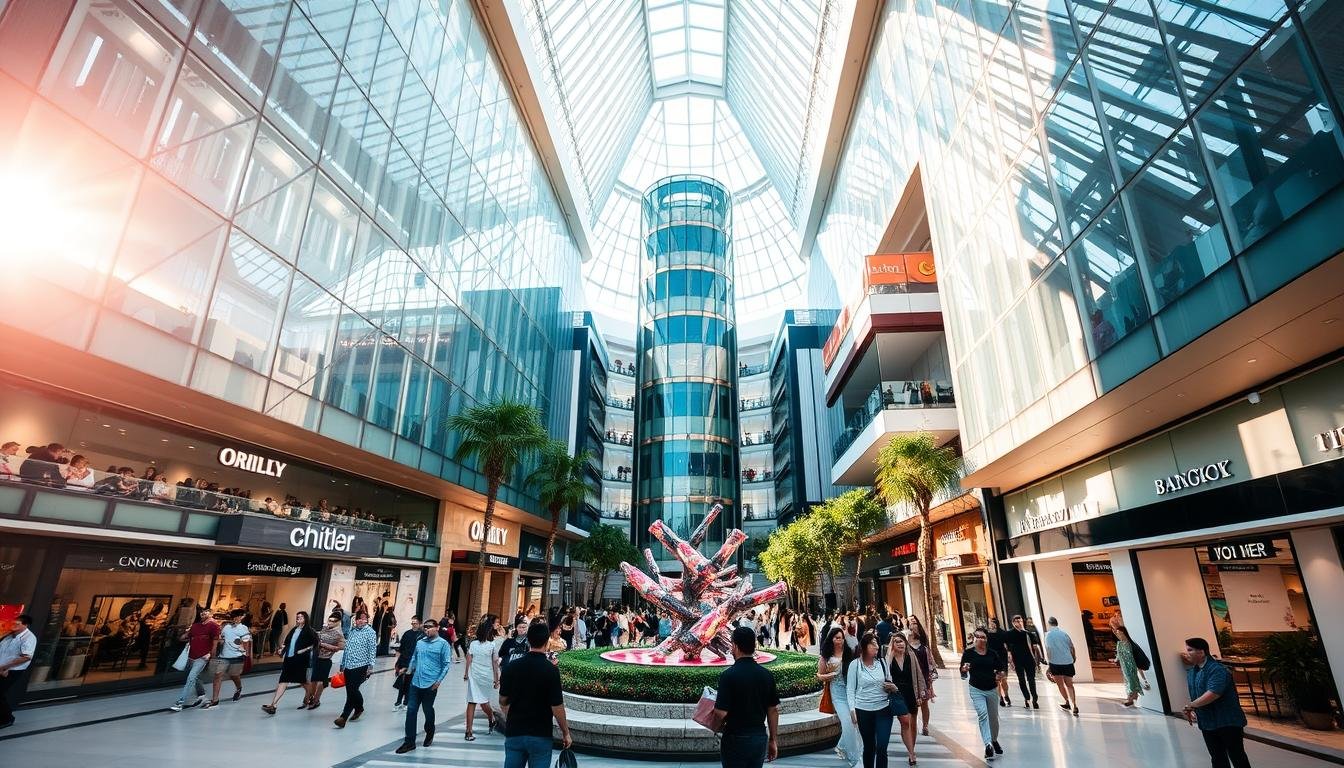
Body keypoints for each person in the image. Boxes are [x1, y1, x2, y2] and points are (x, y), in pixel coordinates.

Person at [500, 621, 573, 766]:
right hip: (540, 734)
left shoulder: (511, 667)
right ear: (547, 642)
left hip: (515, 732)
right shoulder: (551, 670)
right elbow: (557, 707)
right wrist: (565, 733)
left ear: (528, 640)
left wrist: (511, 717)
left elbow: (503, 700)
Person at [714, 626, 780, 768]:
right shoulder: (766, 675)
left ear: (735, 646)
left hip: (735, 738)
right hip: (758, 737)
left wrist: (715, 725)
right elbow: (773, 710)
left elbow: (721, 713)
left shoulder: (728, 676)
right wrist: (773, 740)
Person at [1183, 637, 1251, 768]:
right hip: (1207, 722)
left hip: (1227, 721)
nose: (1187, 653)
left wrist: (1191, 705)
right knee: (1217, 757)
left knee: (1237, 756)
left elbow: (1213, 693)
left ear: (1201, 652)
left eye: (1190, 650)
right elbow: (1196, 695)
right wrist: (1193, 709)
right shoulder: (1192, 672)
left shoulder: (1217, 669)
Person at [395, 618, 453, 754]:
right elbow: (414, 658)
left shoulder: (443, 644)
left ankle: (430, 730)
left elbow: (446, 664)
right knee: (411, 711)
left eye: (430, 627)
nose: (427, 629)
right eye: (425, 627)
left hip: (431, 684)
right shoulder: (420, 642)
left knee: (427, 709)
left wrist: (438, 681)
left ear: (437, 628)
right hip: (416, 682)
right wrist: (408, 670)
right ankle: (409, 742)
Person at [846, 631, 899, 768]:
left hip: (884, 709)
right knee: (869, 746)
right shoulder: (855, 665)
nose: (876, 647)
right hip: (863, 710)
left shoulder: (882, 663)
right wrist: (852, 710)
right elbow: (850, 689)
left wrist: (893, 687)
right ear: (864, 646)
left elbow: (889, 680)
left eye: (877, 644)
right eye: (873, 644)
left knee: (882, 746)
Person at [960, 628, 1006, 761]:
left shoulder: (992, 653)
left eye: (983, 637)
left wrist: (1000, 675)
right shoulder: (968, 653)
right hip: (976, 689)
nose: (981, 639)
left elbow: (1001, 669)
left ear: (986, 639)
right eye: (978, 637)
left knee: (993, 718)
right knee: (982, 714)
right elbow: (962, 671)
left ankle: (994, 740)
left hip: (991, 689)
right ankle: (988, 745)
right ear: (974, 638)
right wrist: (964, 670)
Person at [818, 626, 860, 767]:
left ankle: (842, 746)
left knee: (854, 722)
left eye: (841, 638)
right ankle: (854, 758)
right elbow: (820, 675)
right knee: (848, 722)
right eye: (836, 638)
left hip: (850, 691)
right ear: (831, 639)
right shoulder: (825, 655)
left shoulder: (849, 653)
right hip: (836, 692)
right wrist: (828, 676)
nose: (839, 640)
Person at [262, 611, 316, 714]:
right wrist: (282, 649)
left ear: (305, 619)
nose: (298, 618)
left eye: (301, 617)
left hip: (300, 660)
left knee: (303, 681)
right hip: (289, 659)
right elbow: (287, 642)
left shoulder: (309, 631)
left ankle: (311, 696)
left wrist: (304, 650)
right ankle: (273, 705)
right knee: (283, 681)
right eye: (297, 616)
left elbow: (315, 643)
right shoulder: (294, 630)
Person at [887, 634, 927, 764]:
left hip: (911, 692)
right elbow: (885, 673)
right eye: (897, 642)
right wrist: (890, 655)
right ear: (892, 644)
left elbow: (918, 674)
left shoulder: (911, 656)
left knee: (913, 724)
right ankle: (911, 753)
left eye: (902, 641)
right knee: (905, 722)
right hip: (897, 694)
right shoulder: (889, 658)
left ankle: (911, 749)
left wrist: (921, 693)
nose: (900, 644)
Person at [334, 612, 376, 728]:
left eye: (364, 619)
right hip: (349, 665)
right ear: (355, 620)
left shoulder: (370, 632)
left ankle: (343, 717)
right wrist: (343, 664)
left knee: (352, 689)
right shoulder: (352, 631)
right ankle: (359, 708)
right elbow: (347, 648)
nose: (361, 621)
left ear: (367, 620)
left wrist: (371, 666)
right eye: (359, 619)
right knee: (351, 690)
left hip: (361, 665)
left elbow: (372, 649)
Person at [171, 608, 218, 711]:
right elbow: (183, 637)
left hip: (202, 657)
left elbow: (215, 643)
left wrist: (211, 655)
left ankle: (180, 702)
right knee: (194, 677)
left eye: (206, 613)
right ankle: (202, 697)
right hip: (191, 656)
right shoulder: (195, 626)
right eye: (202, 613)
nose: (203, 614)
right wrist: (186, 634)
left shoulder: (214, 626)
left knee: (191, 678)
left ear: (211, 615)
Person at [203, 609, 250, 709]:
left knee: (234, 676)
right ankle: (215, 700)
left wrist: (246, 654)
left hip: (237, 656)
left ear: (241, 617)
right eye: (234, 616)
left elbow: (246, 643)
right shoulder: (226, 627)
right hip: (224, 656)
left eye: (238, 616)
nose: (236, 618)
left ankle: (239, 688)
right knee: (218, 675)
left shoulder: (244, 628)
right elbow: (222, 639)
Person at [464, 619, 502, 740]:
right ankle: (469, 731)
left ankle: (490, 719)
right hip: (483, 676)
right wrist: (496, 679)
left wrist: (466, 673)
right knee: (478, 702)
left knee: (478, 702)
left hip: (476, 675)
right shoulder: (491, 645)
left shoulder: (474, 644)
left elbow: (469, 658)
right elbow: (495, 663)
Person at [0, 614, 37, 728]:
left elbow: (26, 657)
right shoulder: (9, 635)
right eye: (13, 623)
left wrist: (5, 667)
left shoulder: (29, 638)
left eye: (17, 624)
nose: (13, 625)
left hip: (12, 670)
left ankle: (7, 719)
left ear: (25, 625)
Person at [904, 617, 936, 736]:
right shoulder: (906, 642)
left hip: (924, 676)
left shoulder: (923, 643)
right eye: (911, 624)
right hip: (911, 678)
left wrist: (930, 677)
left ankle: (925, 726)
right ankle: (914, 727)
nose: (913, 626)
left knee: (924, 703)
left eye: (915, 623)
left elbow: (930, 660)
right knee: (913, 704)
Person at [308, 613, 345, 710]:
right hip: (317, 657)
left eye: (333, 621)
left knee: (321, 682)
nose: (330, 622)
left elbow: (341, 647)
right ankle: (312, 698)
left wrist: (324, 645)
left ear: (338, 622)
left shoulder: (339, 633)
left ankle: (316, 700)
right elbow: (317, 638)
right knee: (313, 680)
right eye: (330, 620)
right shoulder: (324, 628)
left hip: (326, 659)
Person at [1043, 617, 1079, 716]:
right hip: (1068, 662)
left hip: (1055, 663)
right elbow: (1072, 646)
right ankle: (1074, 705)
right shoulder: (1064, 634)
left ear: (1049, 624)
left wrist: (1049, 665)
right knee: (1070, 685)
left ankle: (1067, 702)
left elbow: (1049, 650)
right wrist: (1073, 657)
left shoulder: (1048, 635)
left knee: (1060, 684)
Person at [1004, 615, 1042, 709]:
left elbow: (1035, 648)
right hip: (1017, 660)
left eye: (1020, 621)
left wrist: (1038, 661)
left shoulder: (1029, 634)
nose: (1019, 623)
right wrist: (1010, 661)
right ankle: (1027, 699)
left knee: (1031, 679)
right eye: (1016, 621)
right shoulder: (1009, 634)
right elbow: (1007, 648)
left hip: (1029, 659)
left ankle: (1034, 698)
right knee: (1022, 680)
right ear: (1013, 623)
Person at [1111, 625, 1150, 707]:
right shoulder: (1119, 644)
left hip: (1131, 665)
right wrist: (1115, 660)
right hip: (1124, 666)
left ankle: (1131, 698)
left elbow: (1135, 655)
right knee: (1128, 681)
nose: (1118, 635)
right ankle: (1132, 697)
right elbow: (1118, 655)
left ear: (1123, 633)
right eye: (1117, 633)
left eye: (1120, 633)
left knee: (1131, 680)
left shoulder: (1130, 644)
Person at [393, 616, 426, 711]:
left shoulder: (422, 636)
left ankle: (405, 702)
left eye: (415, 623)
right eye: (412, 623)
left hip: (413, 662)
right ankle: (399, 702)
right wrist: (398, 662)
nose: (413, 625)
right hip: (404, 660)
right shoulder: (407, 633)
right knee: (402, 682)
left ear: (419, 624)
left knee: (408, 682)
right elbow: (401, 648)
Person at [985, 618, 1012, 706]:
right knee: (996, 680)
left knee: (1004, 680)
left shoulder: (1002, 633)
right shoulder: (987, 634)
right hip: (992, 659)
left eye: (992, 623)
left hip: (1002, 658)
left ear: (996, 624)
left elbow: (1008, 644)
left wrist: (1009, 655)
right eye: (990, 623)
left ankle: (1006, 695)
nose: (991, 625)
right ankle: (1000, 698)